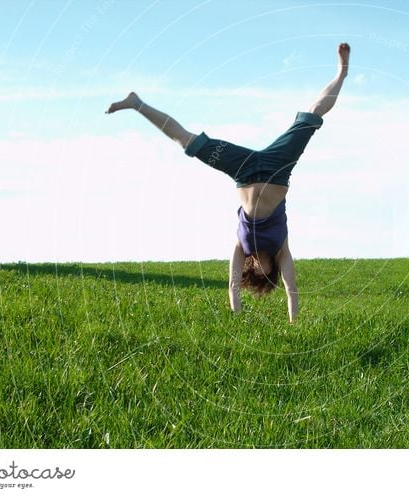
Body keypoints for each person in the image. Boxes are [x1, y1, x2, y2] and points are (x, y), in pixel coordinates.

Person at [106, 43, 350, 323]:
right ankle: (342, 72)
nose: (257, 265)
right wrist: (294, 322)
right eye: (262, 270)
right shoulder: (282, 250)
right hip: (276, 167)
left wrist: (236, 317)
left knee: (188, 142)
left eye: (254, 269)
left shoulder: (241, 247)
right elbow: (291, 290)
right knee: (313, 114)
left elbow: (233, 286)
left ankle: (136, 103)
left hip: (243, 170)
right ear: (271, 271)